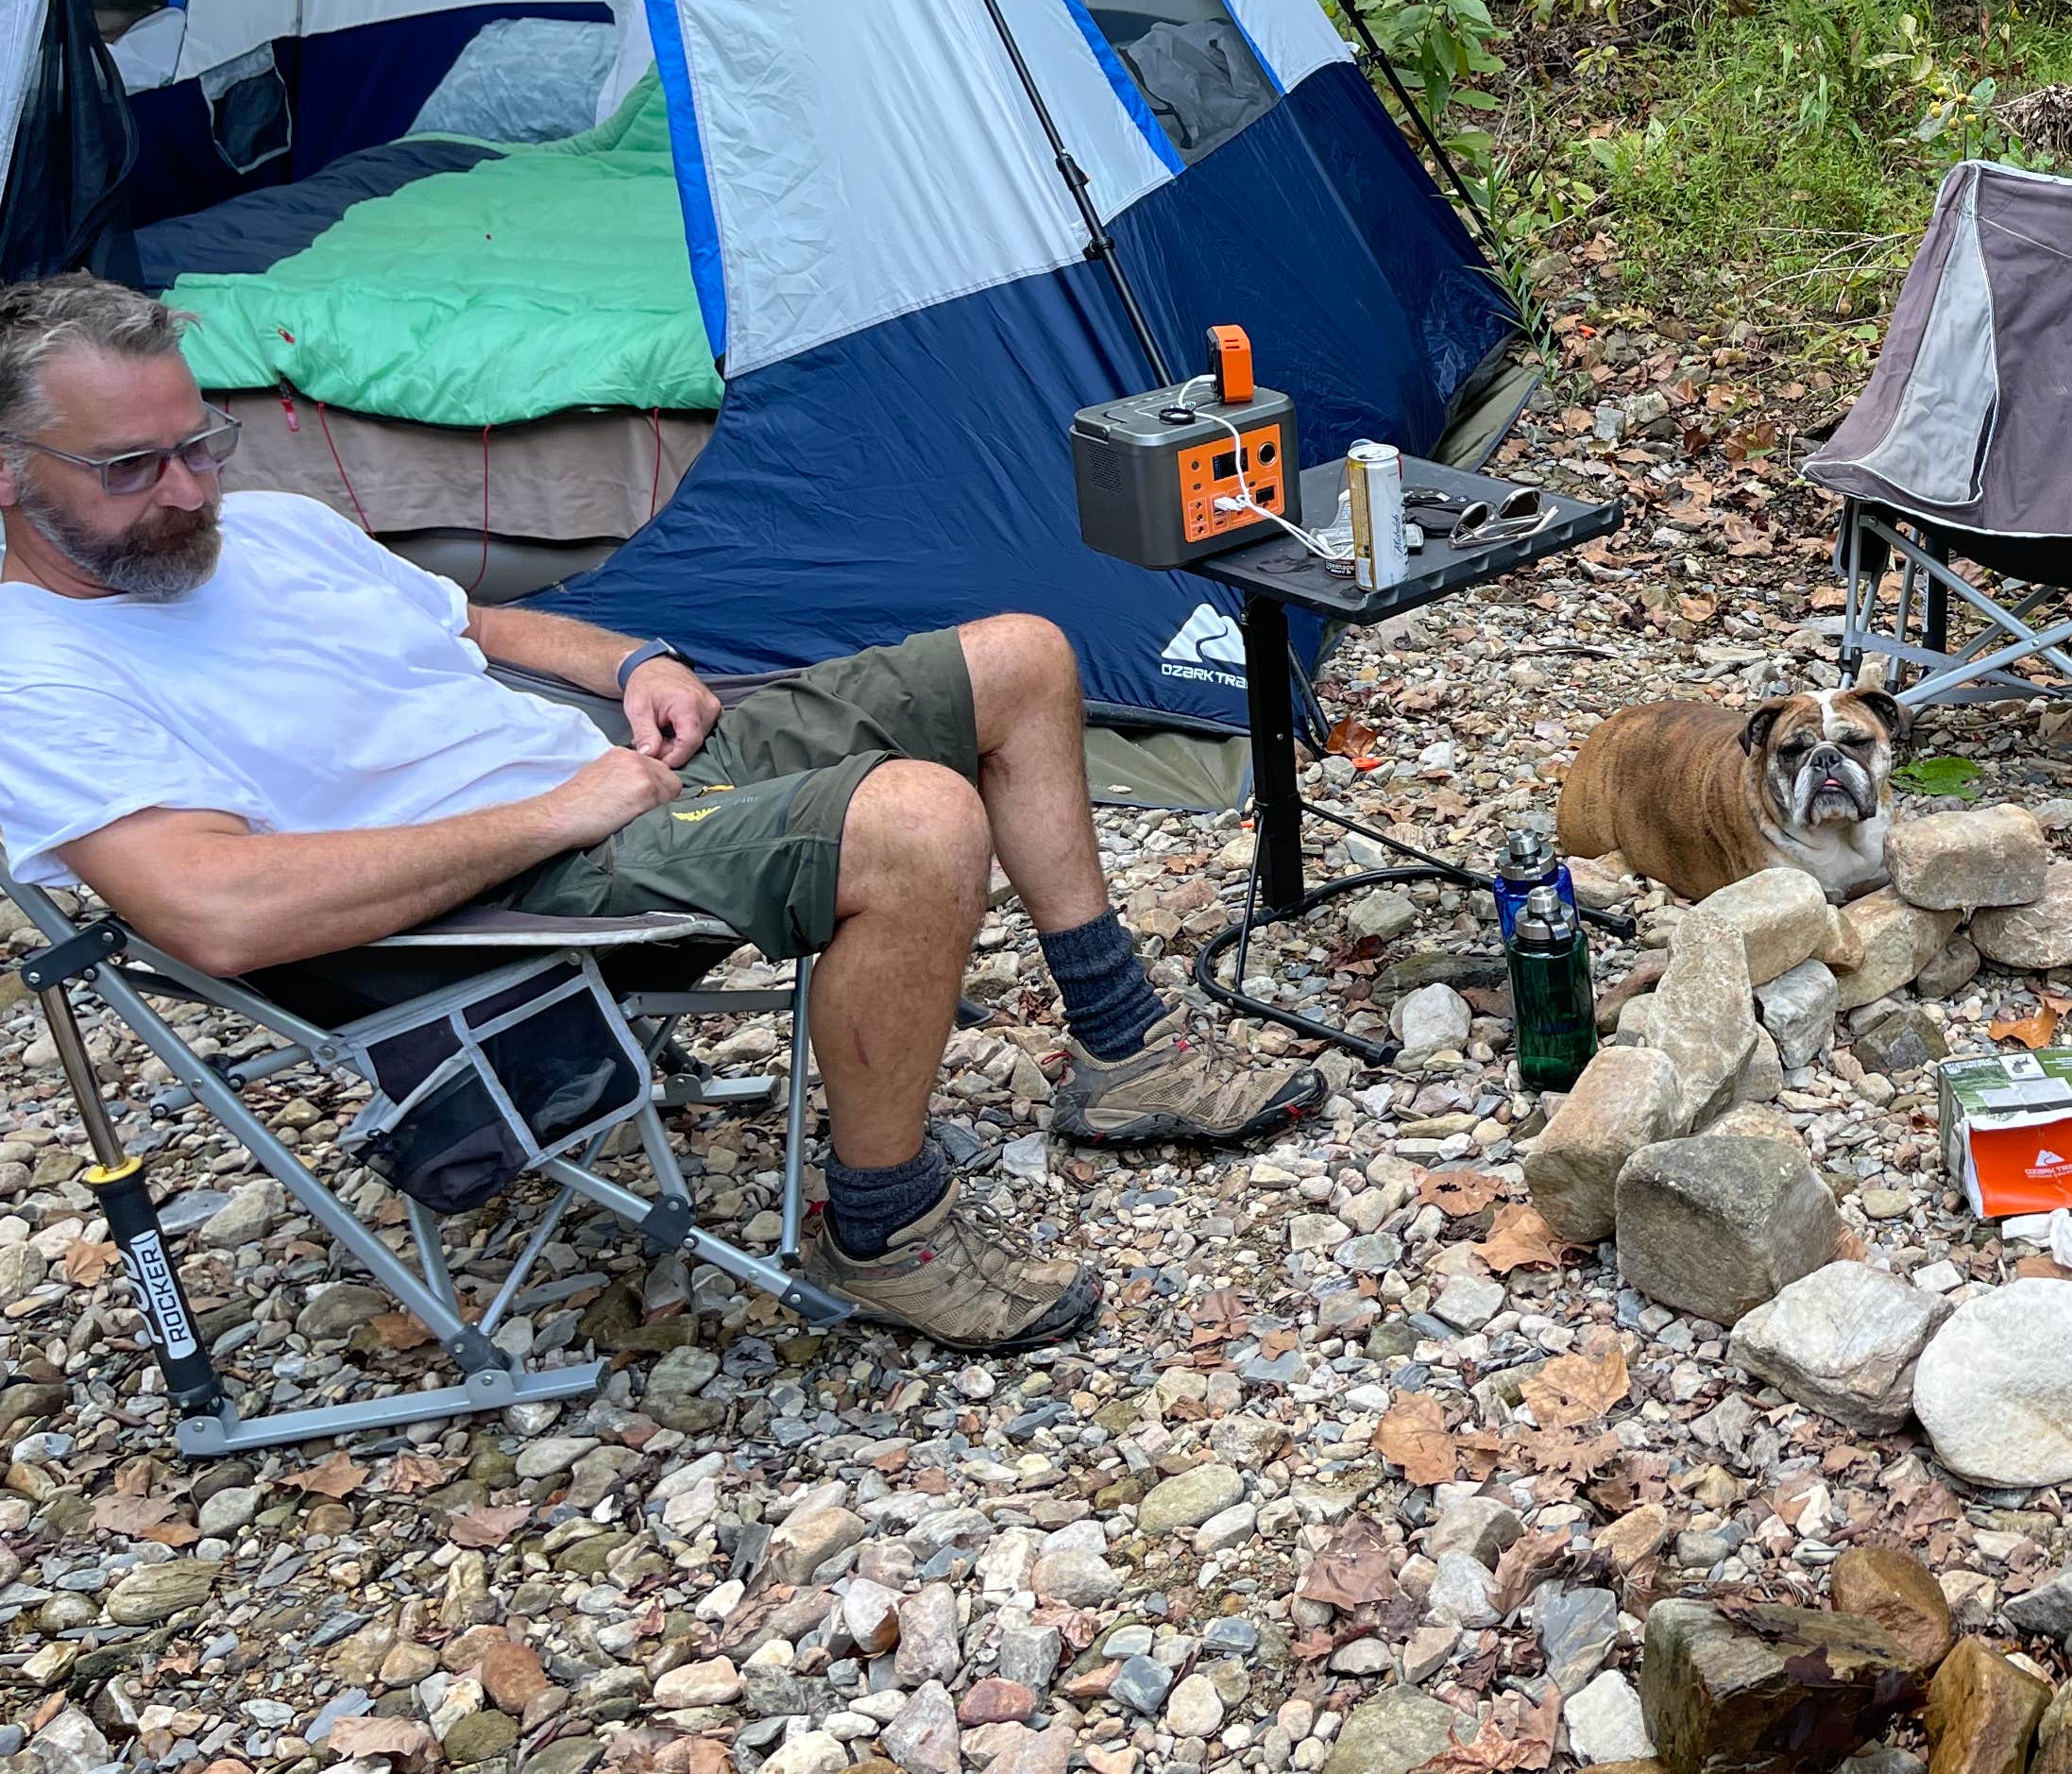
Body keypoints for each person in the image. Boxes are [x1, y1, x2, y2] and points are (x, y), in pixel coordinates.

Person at [0, 271, 1317, 1352]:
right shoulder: (36, 671)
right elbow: (217, 911)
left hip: (605, 782)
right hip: (507, 901)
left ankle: (1124, 1051)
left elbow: (481, 625)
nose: (188, 491)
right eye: (132, 466)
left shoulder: (268, 530)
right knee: (916, 821)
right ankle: (886, 1231)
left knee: (1020, 657)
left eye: (200, 444)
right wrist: (560, 815)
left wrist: (634, 663)